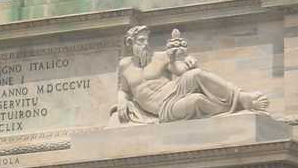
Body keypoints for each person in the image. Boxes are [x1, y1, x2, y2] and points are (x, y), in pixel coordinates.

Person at [115, 26, 269, 123]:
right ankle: (235, 109)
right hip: (164, 108)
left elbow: (181, 72)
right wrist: (121, 100)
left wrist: (185, 62)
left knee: (195, 74)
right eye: (141, 41)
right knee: (196, 101)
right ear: (130, 43)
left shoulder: (160, 56)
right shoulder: (124, 65)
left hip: (174, 89)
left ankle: (241, 97)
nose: (146, 44)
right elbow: (124, 90)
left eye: (146, 40)